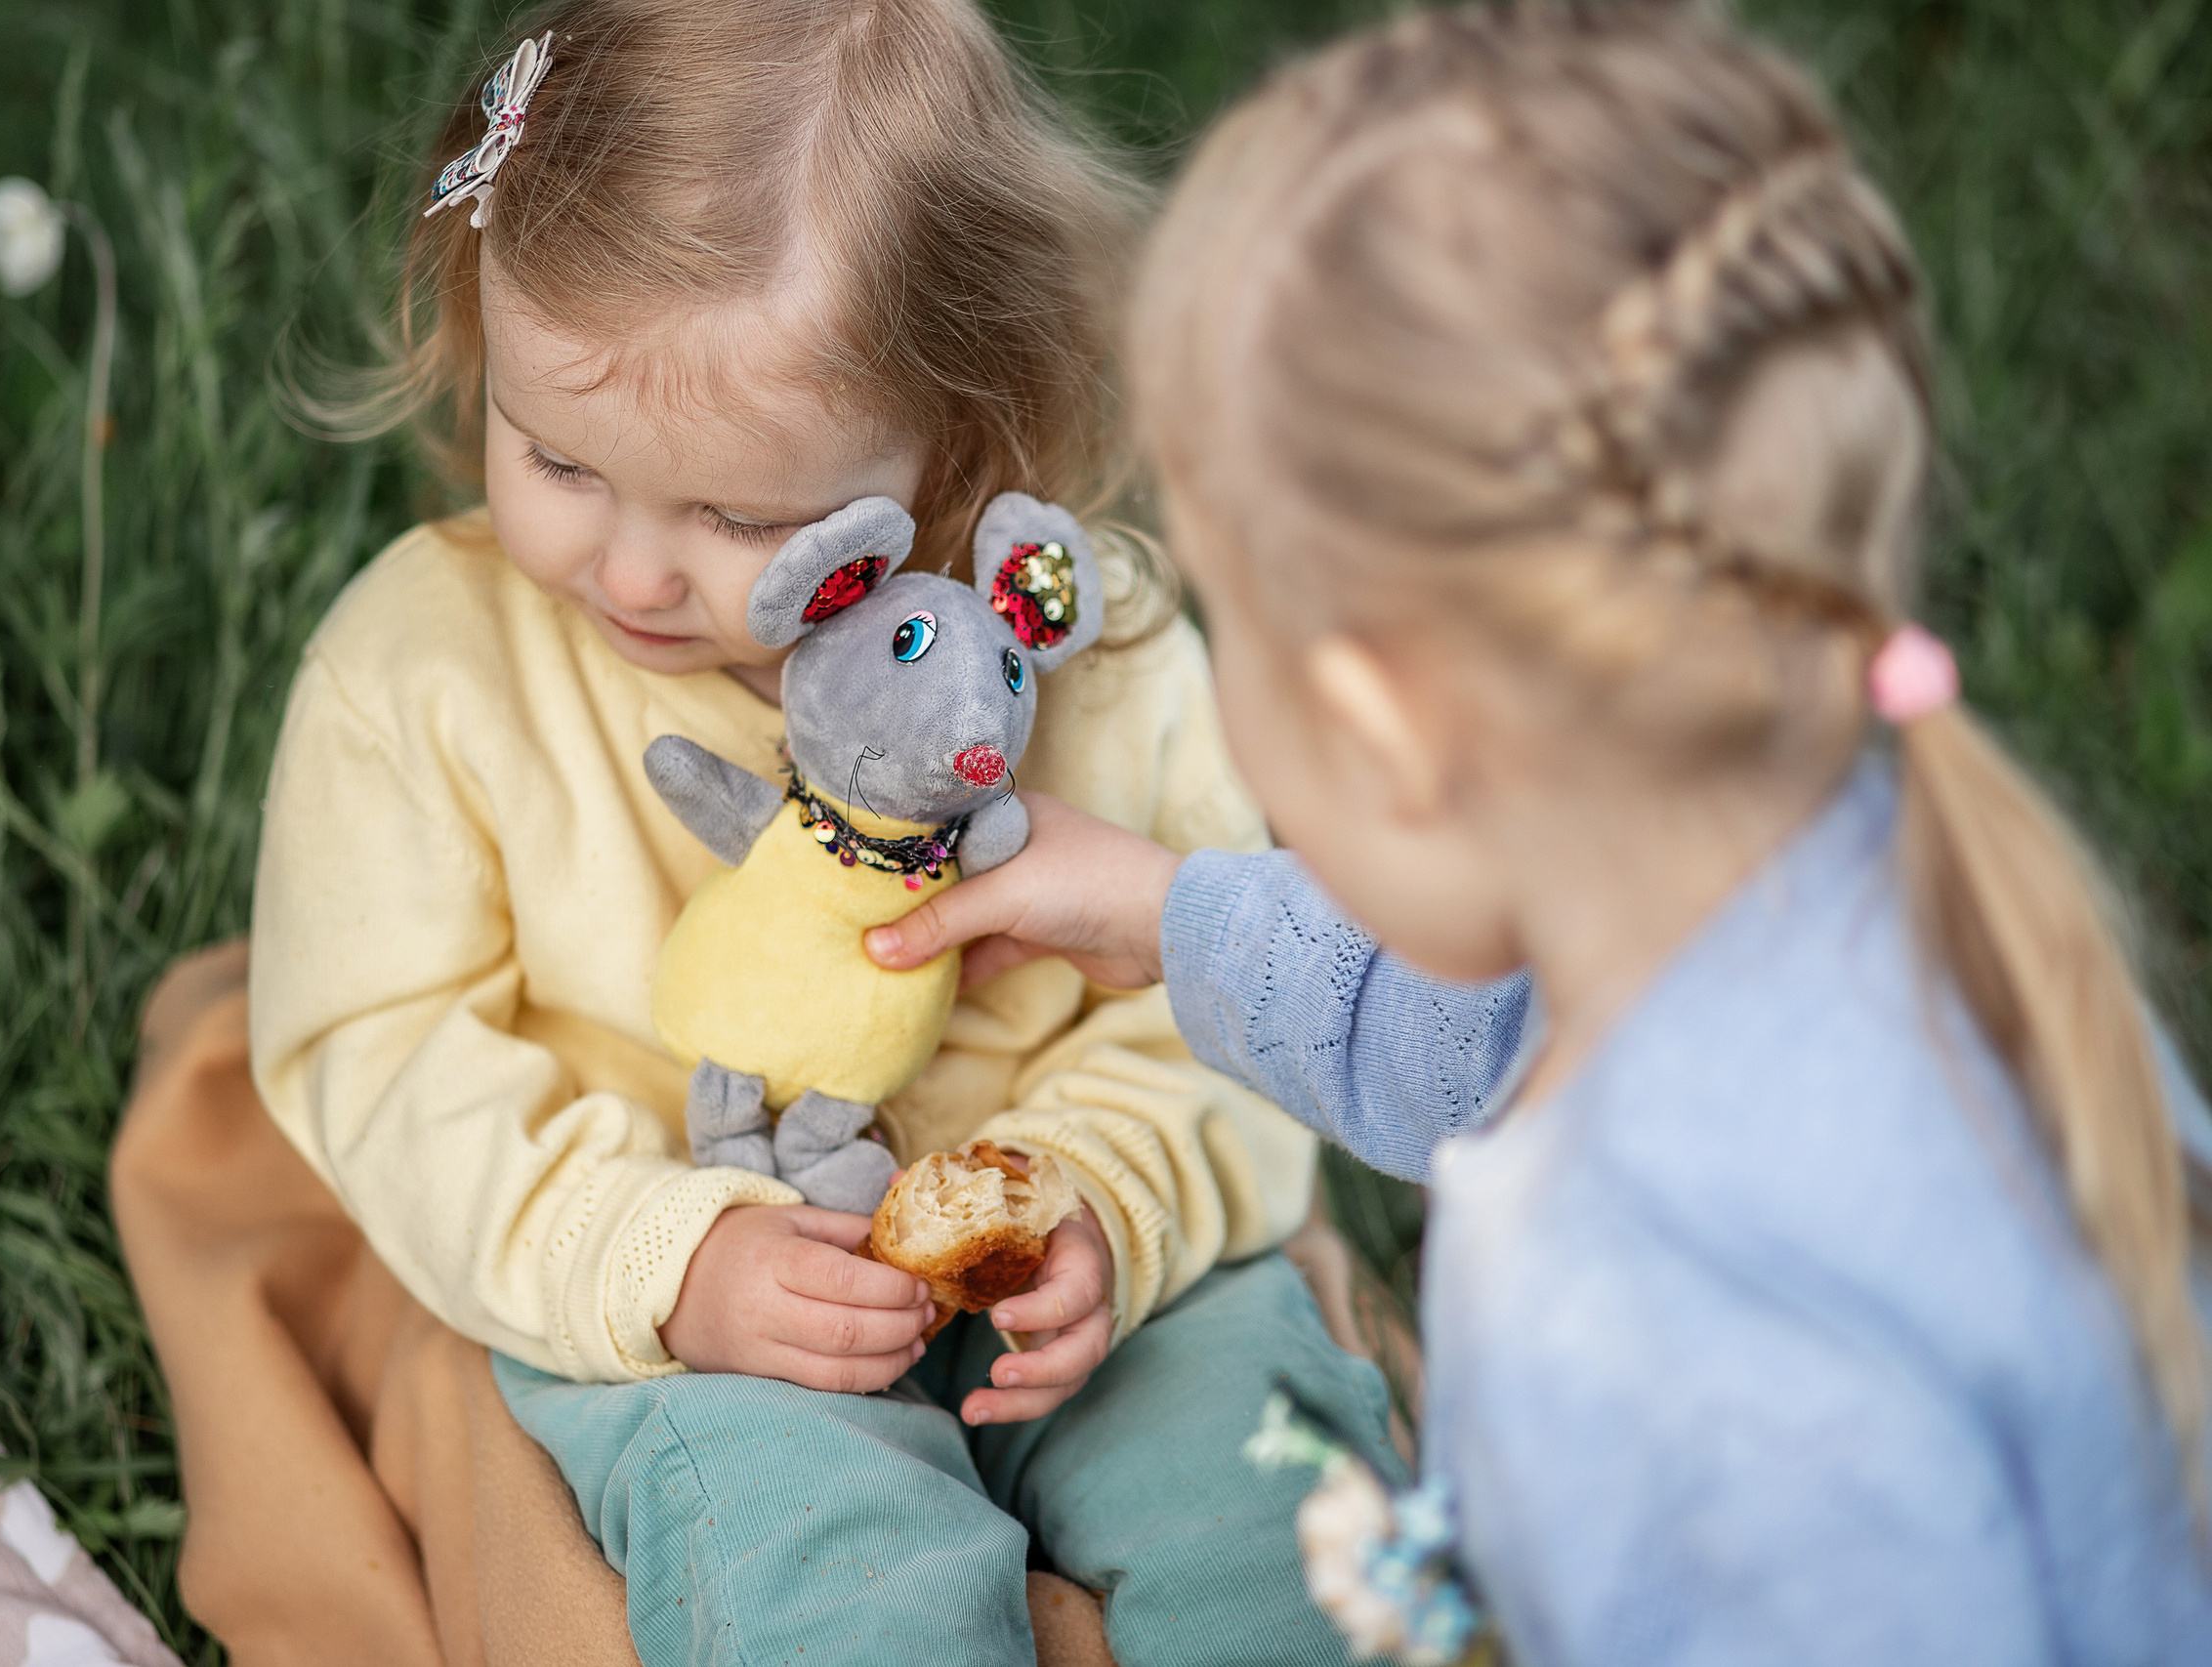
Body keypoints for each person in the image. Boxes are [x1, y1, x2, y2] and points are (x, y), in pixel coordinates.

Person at [864, 5, 2212, 1661]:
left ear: (1378, 723)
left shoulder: (1647, 1316)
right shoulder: (1900, 905)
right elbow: (1486, 1026)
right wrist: (1170, 912)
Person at [233, 2, 1400, 1662]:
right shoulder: (423, 672)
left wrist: (1103, 1210)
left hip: (1087, 1275)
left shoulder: (1101, 654)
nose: (635, 572)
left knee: (1281, 1532)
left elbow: (1209, 982)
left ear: (957, 422)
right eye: (556, 455)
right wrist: (669, 1260)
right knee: (839, 1577)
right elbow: (388, 1055)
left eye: (740, 514)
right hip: (696, 1300)